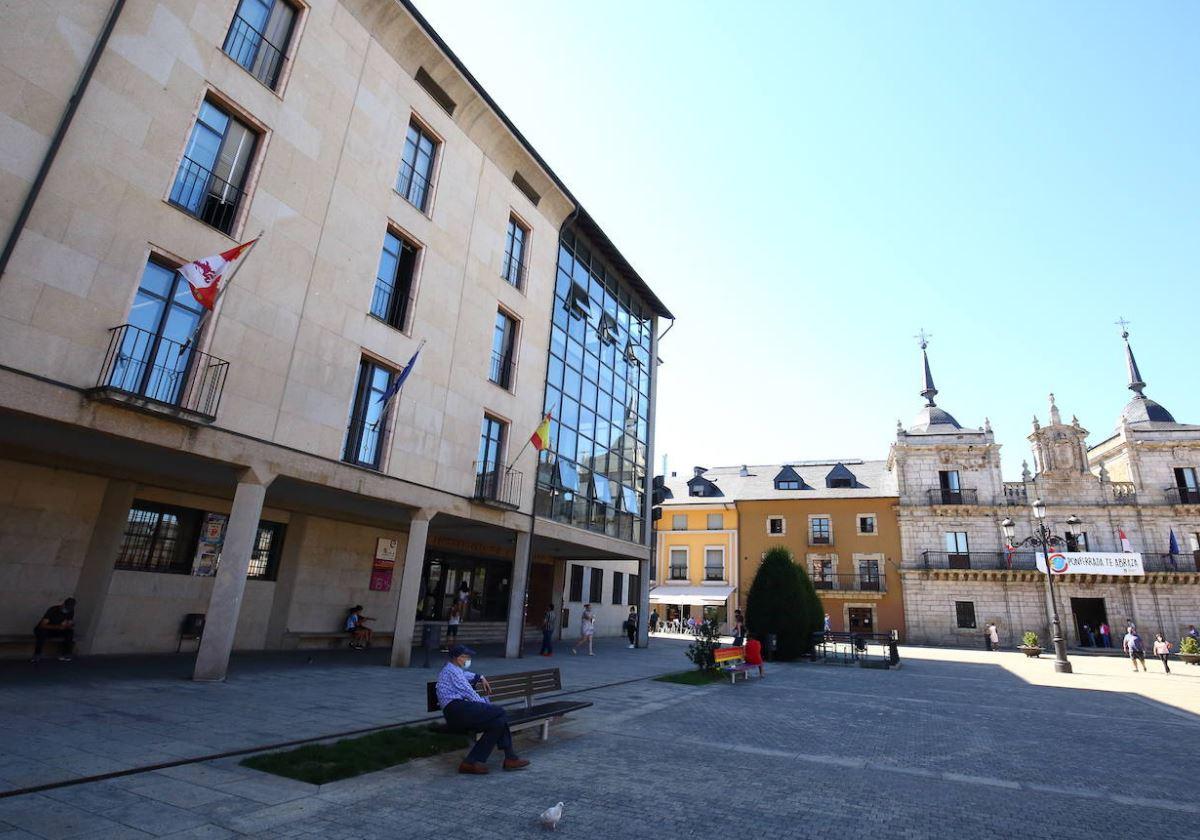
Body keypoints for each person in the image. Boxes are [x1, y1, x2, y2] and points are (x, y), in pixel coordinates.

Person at [435, 645, 529, 774]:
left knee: (498, 723)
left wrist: (480, 677)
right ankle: (510, 758)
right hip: (456, 711)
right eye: (466, 657)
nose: (468, 659)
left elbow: (466, 675)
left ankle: (471, 762)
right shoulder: (452, 672)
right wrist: (486, 706)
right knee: (500, 712)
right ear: (458, 658)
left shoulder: (454, 669)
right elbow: (469, 692)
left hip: (460, 709)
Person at [32, 597, 76, 662]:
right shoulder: (53, 610)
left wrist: (69, 625)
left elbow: (69, 622)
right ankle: (37, 654)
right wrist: (57, 627)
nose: (67, 610)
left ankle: (67, 653)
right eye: (66, 608)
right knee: (42, 633)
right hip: (46, 629)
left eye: (69, 609)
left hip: (57, 630)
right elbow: (42, 625)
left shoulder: (71, 611)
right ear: (63, 604)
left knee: (70, 632)